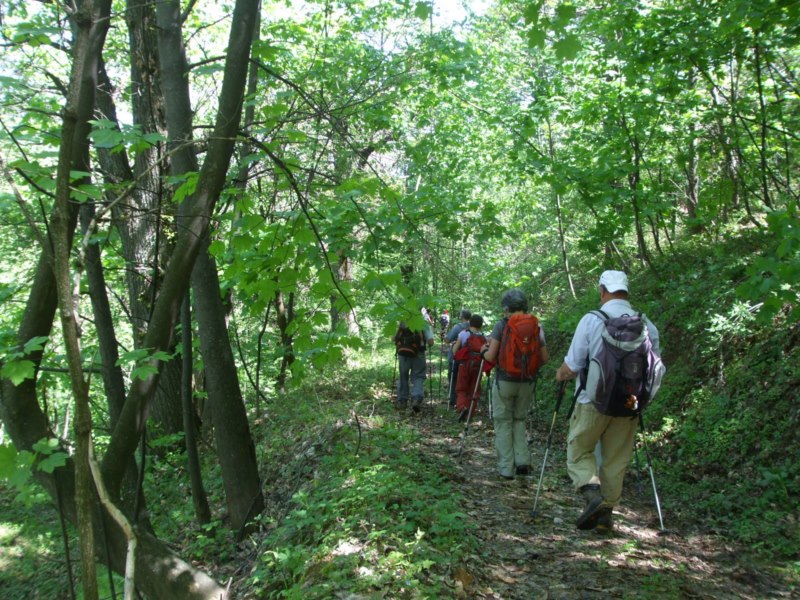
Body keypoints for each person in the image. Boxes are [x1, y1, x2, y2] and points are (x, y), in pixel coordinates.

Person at [555, 270, 661, 533]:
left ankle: (592, 495)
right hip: (629, 405)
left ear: (602, 291)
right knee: (615, 460)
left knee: (579, 450)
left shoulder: (592, 320)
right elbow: (655, 368)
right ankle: (606, 517)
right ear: (626, 291)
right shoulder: (646, 325)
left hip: (592, 401)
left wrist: (560, 375)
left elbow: (573, 364)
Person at [481, 290, 549, 480]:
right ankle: (523, 462)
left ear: (506, 308)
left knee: (503, 423)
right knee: (519, 420)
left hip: (504, 381)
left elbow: (491, 356)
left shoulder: (501, 325)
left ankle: (505, 469)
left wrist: (483, 350)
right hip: (527, 383)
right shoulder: (536, 326)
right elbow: (545, 358)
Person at [394, 319, 435, 413]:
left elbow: (393, 339)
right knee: (418, 376)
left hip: (403, 354)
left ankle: (402, 401)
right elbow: (430, 342)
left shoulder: (402, 321)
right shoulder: (423, 322)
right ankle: (416, 398)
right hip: (419, 353)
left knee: (403, 376)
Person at [451, 314, 486, 421]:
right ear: (480, 325)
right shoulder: (483, 337)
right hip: (478, 366)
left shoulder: (463, 334)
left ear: (470, 323)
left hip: (464, 365)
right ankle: (470, 413)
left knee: (461, 389)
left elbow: (454, 351)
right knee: (474, 390)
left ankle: (462, 408)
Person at [445, 309, 471, 409]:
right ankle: (465, 400)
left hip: (455, 357)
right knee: (465, 378)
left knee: (453, 377)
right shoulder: (473, 328)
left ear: (461, 317)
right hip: (469, 359)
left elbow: (447, 339)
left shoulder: (457, 327)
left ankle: (453, 399)